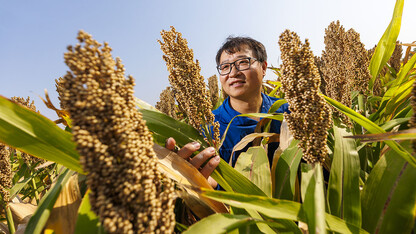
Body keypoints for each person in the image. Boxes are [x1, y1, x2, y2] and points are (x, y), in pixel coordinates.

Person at [166, 36, 289, 189]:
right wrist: (207, 186)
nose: (233, 73)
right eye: (225, 67)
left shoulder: (289, 113)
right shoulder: (208, 128)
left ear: (263, 68)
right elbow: (213, 188)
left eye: (243, 62)